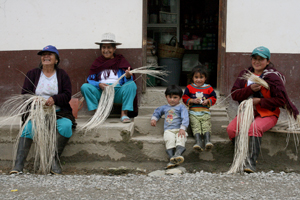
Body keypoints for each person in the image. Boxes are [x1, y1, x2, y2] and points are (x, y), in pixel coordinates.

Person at [226, 46, 299, 173]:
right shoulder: (245, 74)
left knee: (254, 128)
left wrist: (260, 101)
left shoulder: (273, 77)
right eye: (255, 58)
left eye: (261, 59)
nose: (257, 62)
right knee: (231, 129)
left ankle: (251, 162)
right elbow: (234, 94)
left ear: (268, 61)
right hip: (248, 111)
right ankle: (240, 155)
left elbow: (281, 100)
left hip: (268, 113)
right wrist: (249, 90)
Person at [10, 45, 76, 175]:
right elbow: (25, 94)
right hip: (37, 113)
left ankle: (53, 160)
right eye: (43, 55)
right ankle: (18, 165)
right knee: (27, 129)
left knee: (66, 126)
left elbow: (67, 94)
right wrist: (35, 100)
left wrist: (55, 99)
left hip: (58, 112)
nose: (46, 56)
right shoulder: (32, 74)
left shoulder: (62, 75)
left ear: (56, 60)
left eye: (50, 54)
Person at [80, 32, 137, 123]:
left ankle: (124, 114)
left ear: (114, 48)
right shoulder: (97, 62)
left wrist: (128, 76)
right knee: (85, 87)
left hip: (117, 92)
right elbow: (90, 79)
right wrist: (99, 84)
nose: (106, 50)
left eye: (109, 47)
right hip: (102, 92)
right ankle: (98, 114)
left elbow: (127, 80)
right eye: (104, 47)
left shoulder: (120, 61)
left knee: (131, 84)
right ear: (100, 49)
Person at [150, 85, 189, 169]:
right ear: (166, 96)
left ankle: (178, 154)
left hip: (179, 129)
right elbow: (157, 112)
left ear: (180, 98)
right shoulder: (164, 107)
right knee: (169, 140)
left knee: (181, 138)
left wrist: (183, 128)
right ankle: (172, 158)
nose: (172, 100)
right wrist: (154, 119)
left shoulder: (181, 107)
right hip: (169, 130)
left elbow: (185, 117)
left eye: (175, 97)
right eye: (170, 97)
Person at [182, 65, 217, 151]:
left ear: (205, 78)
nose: (198, 79)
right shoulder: (189, 87)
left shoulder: (208, 88)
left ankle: (207, 141)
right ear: (192, 78)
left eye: (201, 77)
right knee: (196, 126)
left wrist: (208, 101)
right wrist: (192, 101)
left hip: (205, 112)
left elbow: (214, 97)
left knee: (206, 126)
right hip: (193, 113)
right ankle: (198, 142)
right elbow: (184, 98)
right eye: (196, 77)